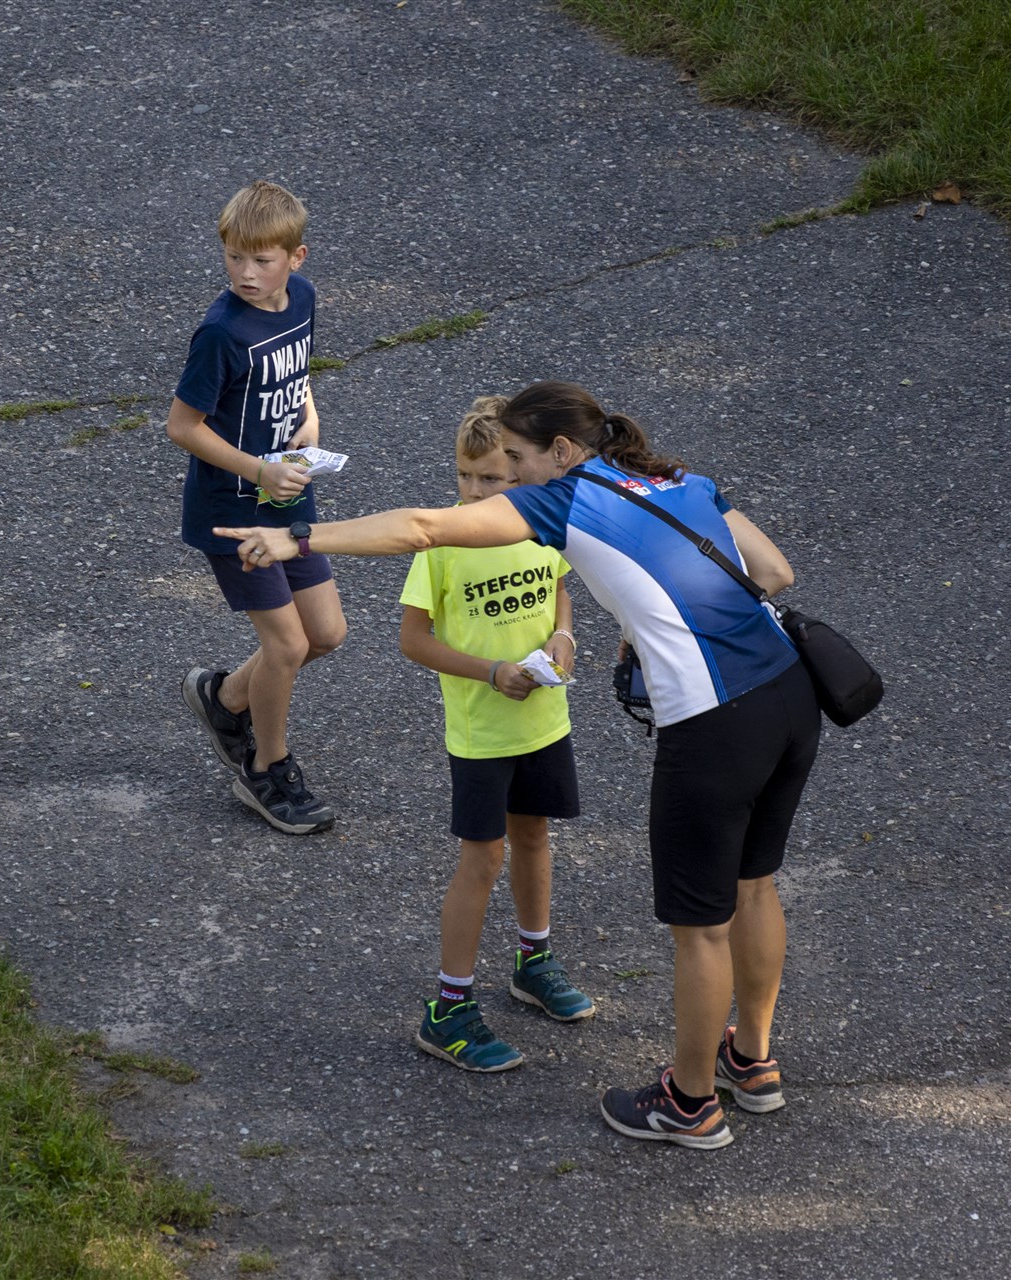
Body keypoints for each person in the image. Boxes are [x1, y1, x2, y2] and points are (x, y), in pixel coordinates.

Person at [217, 380, 820, 1150]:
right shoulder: (677, 479)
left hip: (715, 727)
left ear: (562, 453)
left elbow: (426, 527)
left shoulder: (563, 499)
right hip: (788, 698)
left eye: (520, 459)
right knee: (755, 884)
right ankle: (753, 1063)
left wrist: (298, 539)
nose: (514, 474)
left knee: (701, 929)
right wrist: (652, 624)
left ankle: (690, 1105)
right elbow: (774, 572)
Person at [400, 397, 592, 1074]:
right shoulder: (444, 540)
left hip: (543, 719)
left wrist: (564, 635)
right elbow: (413, 639)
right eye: (466, 476)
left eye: (493, 479)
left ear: (521, 478)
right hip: (482, 732)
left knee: (536, 835)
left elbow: (561, 588)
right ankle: (448, 1009)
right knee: (481, 861)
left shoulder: (542, 525)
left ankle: (533, 963)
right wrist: (490, 670)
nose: (476, 492)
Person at [168, 179, 346, 835]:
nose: (246, 273)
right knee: (287, 644)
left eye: (262, 260)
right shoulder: (220, 333)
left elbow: (296, 372)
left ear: (296, 258)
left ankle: (225, 698)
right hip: (234, 508)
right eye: (234, 258)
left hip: (289, 493)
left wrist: (309, 412)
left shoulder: (302, 298)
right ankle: (266, 771)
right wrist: (257, 469)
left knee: (325, 635)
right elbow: (182, 426)